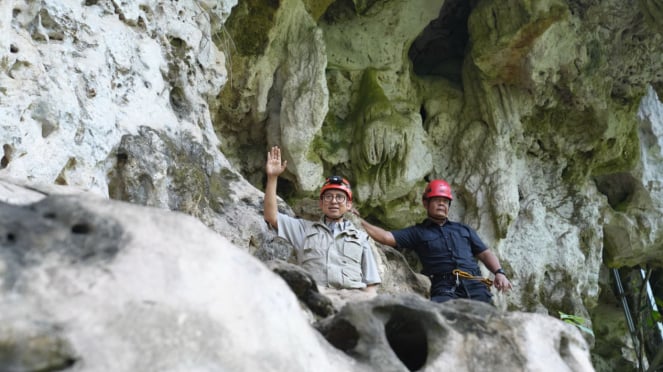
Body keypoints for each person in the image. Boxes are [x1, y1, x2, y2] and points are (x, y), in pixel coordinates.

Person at [355, 179, 512, 304]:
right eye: (437, 200)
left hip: (476, 284)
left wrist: (499, 273)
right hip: (444, 288)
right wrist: (358, 220)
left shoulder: (463, 230)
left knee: (489, 323)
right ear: (425, 203)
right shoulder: (417, 232)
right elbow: (386, 237)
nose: (442, 204)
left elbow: (485, 254)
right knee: (440, 319)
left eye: (445, 201)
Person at [263, 146, 381, 293]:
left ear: (349, 205)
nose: (334, 201)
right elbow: (271, 216)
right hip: (314, 298)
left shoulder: (361, 238)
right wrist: (272, 177)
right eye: (328, 197)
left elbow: (371, 284)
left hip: (350, 300)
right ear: (321, 203)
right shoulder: (303, 229)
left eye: (340, 197)